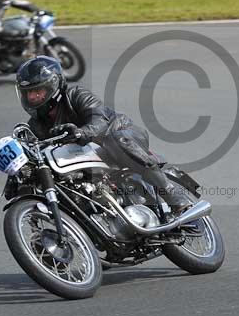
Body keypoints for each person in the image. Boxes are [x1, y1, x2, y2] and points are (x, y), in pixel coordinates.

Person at [14, 55, 190, 212]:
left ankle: (171, 194)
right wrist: (16, 174)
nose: (33, 97)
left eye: (38, 91)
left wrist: (81, 133)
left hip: (122, 134)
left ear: (53, 85)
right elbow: (32, 154)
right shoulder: (35, 126)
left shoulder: (76, 95)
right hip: (86, 164)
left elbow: (101, 119)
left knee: (116, 139)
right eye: (29, 93)